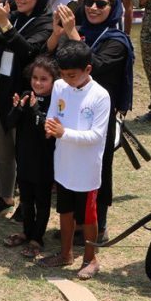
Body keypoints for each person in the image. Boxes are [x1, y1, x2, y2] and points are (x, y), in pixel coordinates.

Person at [49, 0, 135, 239]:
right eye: (89, 2)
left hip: (99, 110)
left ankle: (99, 226)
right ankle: (76, 224)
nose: (93, 8)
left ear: (113, 7)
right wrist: (59, 33)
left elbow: (98, 66)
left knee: (98, 168)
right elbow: (58, 63)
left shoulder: (116, 40)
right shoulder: (82, 31)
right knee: (71, 164)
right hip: (71, 106)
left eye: (101, 4)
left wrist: (72, 32)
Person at [0, 0, 53, 216]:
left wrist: (5, 23)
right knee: (2, 148)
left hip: (25, 93)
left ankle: (27, 203)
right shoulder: (13, 16)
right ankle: (6, 196)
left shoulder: (45, 21)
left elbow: (29, 52)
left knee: (25, 152)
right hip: (2, 88)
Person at [38, 41, 111, 280]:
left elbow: (96, 136)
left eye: (72, 75)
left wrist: (63, 133)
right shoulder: (60, 86)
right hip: (64, 162)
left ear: (87, 69)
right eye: (62, 74)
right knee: (65, 210)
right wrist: (49, 126)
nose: (66, 79)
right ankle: (65, 253)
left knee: (88, 216)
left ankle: (90, 258)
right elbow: (53, 114)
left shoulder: (100, 96)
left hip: (86, 167)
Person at [4, 56, 58, 259]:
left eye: (44, 79)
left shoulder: (56, 101)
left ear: (53, 80)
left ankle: (37, 238)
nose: (38, 83)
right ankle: (27, 232)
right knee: (26, 199)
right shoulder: (27, 95)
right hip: (24, 157)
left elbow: (46, 130)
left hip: (44, 161)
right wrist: (17, 108)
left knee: (42, 202)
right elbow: (10, 123)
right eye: (35, 78)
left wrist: (34, 109)